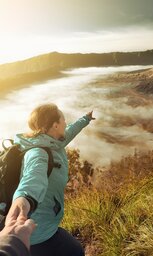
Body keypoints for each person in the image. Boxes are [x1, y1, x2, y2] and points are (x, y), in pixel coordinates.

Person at [5, 103, 95, 256]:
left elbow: (70, 131)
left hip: (44, 225)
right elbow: (33, 177)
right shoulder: (38, 153)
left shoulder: (51, 140)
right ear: (55, 126)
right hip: (34, 231)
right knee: (76, 252)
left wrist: (85, 119)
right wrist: (24, 200)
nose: (66, 123)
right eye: (63, 120)